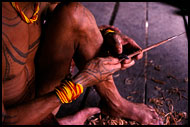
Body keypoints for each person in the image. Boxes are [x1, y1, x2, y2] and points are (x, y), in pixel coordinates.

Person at [2, 2, 163, 125]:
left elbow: (63, 22)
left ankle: (115, 104)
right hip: (18, 118)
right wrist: (78, 83)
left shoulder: (35, 4)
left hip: (43, 100)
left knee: (75, 14)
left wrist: (107, 36)